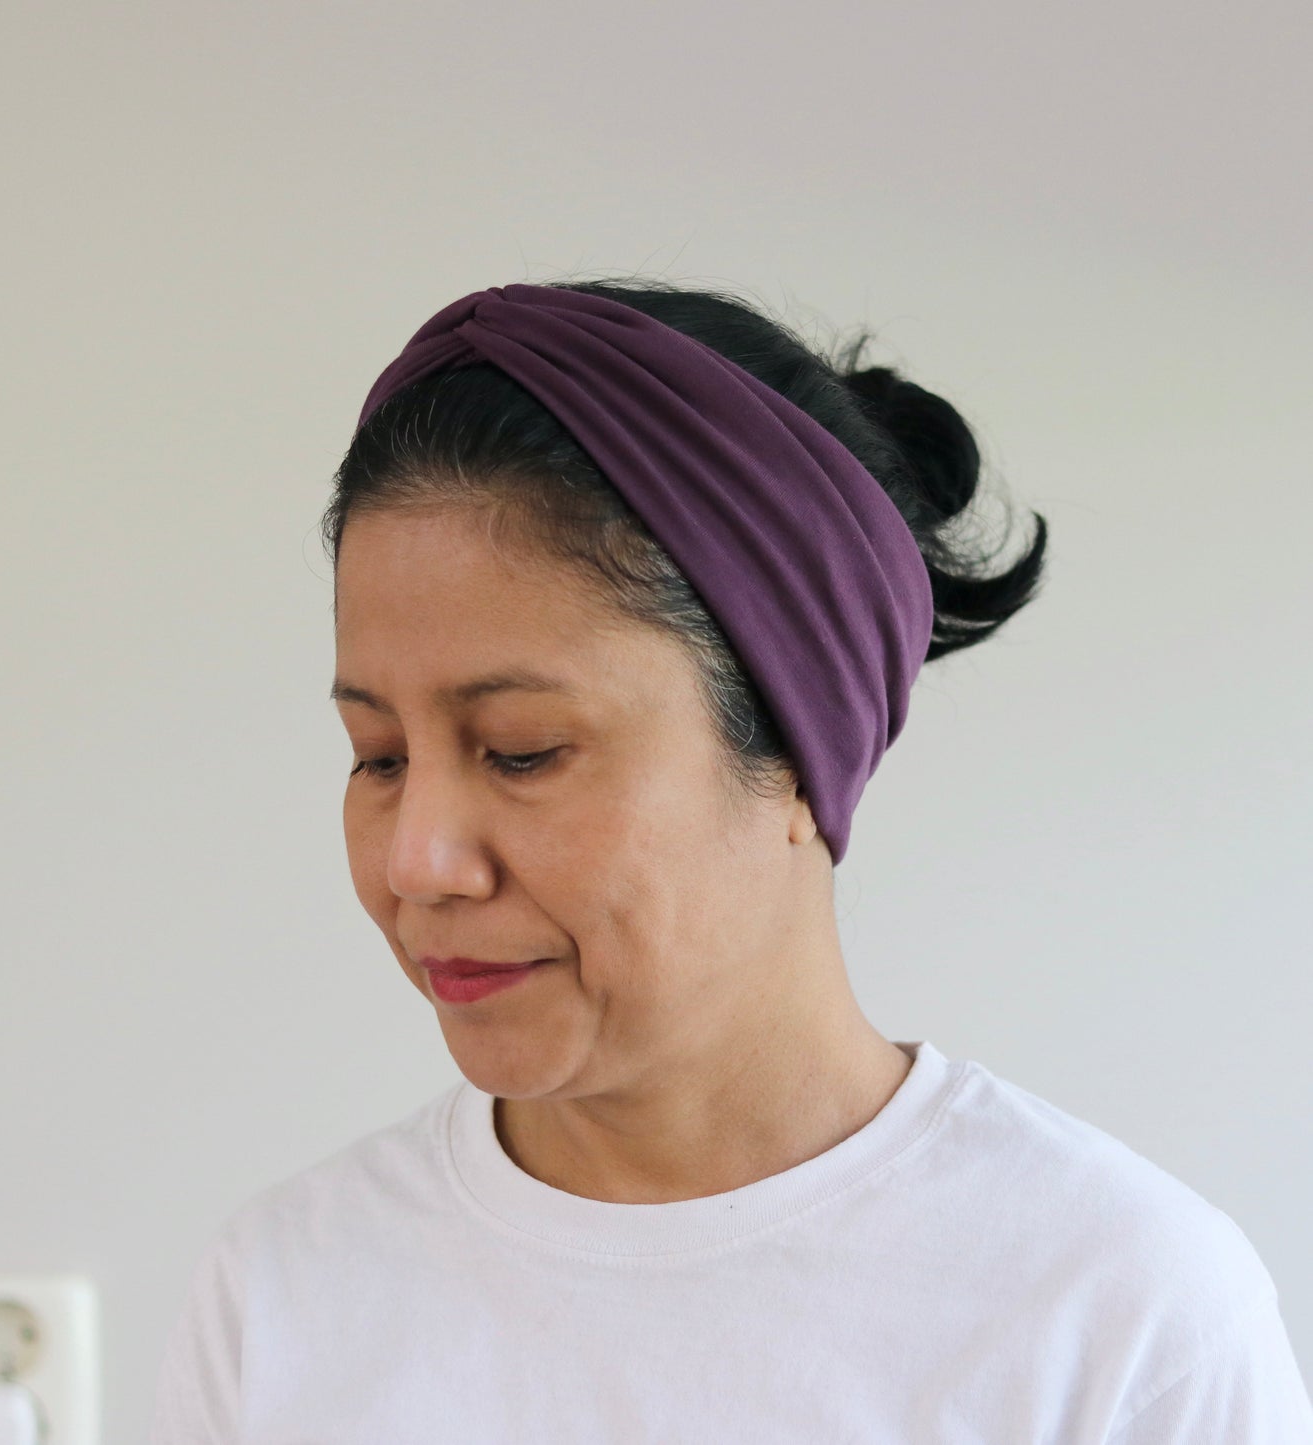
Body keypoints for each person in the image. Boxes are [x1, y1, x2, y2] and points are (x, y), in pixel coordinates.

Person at [149, 277, 1313, 1442]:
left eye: (520, 751)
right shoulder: (281, 1296)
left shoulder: (1121, 1318)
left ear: (799, 755)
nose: (418, 861)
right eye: (380, 755)